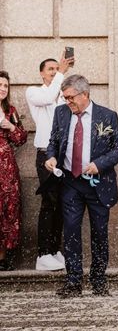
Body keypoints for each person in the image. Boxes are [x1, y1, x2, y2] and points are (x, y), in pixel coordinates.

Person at [44, 74, 118, 298]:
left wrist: (99, 164)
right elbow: (53, 141)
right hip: (70, 182)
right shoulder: (61, 113)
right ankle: (73, 283)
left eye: (70, 98)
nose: (67, 102)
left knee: (99, 234)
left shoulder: (107, 116)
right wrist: (51, 157)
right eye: (65, 97)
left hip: (98, 184)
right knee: (71, 231)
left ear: (85, 94)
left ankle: (99, 282)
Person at [26, 54, 73, 271]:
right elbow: (47, 97)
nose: (55, 71)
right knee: (49, 202)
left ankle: (55, 250)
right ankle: (42, 254)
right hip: (46, 155)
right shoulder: (34, 92)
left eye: (57, 68)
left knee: (62, 203)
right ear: (41, 73)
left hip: (63, 156)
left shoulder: (62, 95)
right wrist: (63, 72)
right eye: (50, 69)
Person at [0, 71, 28, 271]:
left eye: (6, 86)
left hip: (5, 166)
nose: (2, 88)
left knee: (8, 208)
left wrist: (9, 126)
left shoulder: (10, 110)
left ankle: (3, 257)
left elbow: (21, 138)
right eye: (0, 85)